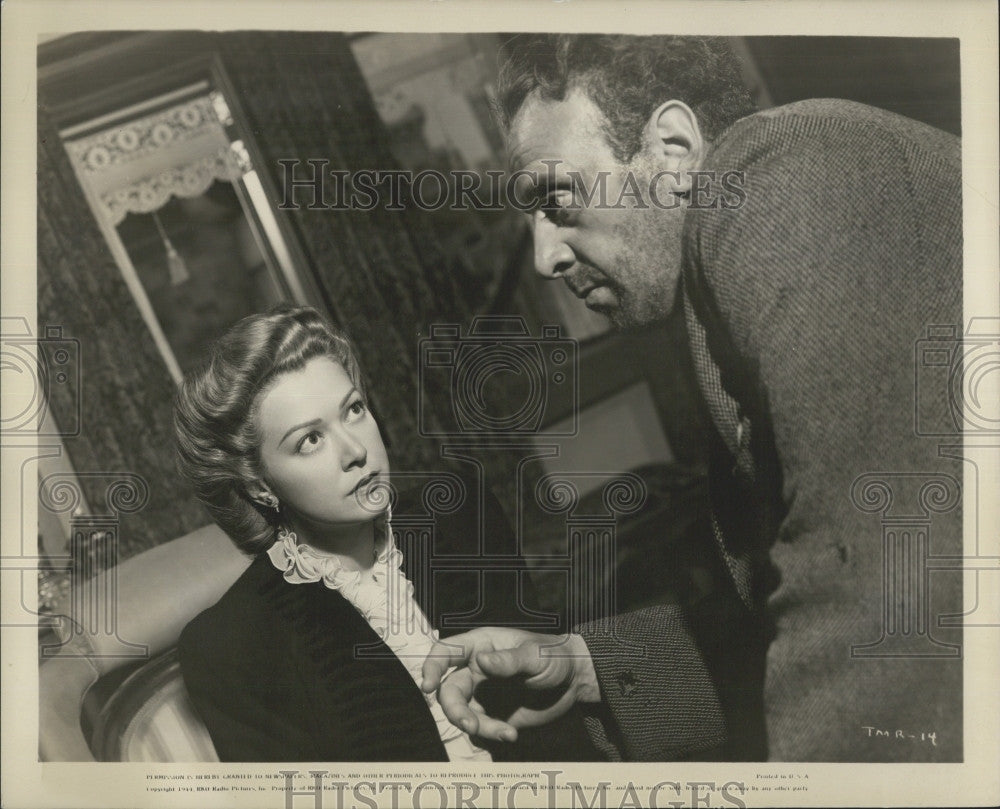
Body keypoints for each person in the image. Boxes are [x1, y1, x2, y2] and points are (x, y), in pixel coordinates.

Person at [421, 34, 963, 762]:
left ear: (672, 149)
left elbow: (887, 609)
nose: (545, 256)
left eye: (557, 200)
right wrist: (587, 665)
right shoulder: (725, 268)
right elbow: (793, 610)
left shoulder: (786, 179)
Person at [173, 304, 599, 762]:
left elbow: (560, 713)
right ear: (259, 485)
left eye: (353, 410)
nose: (356, 450)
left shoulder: (460, 516)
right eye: (309, 440)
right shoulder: (230, 647)